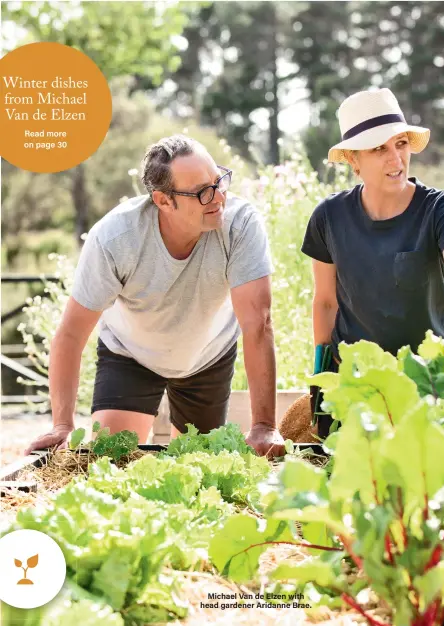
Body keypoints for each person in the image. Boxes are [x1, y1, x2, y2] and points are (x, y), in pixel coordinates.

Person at [25, 135, 285, 457]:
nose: (219, 197)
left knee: (199, 470)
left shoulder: (240, 224)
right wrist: (62, 425)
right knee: (112, 459)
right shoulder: (115, 239)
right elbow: (71, 334)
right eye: (203, 192)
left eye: (218, 180)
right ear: (163, 201)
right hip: (131, 355)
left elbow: (258, 323)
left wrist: (264, 425)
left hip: (207, 354)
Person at [302, 88, 444, 437]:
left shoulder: (439, 210)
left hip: (427, 384)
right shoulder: (329, 217)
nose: (396, 159)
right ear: (354, 160)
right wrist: (320, 379)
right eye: (379, 149)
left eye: (400, 144)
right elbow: (325, 302)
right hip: (357, 387)